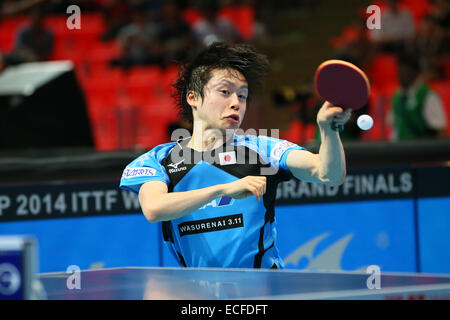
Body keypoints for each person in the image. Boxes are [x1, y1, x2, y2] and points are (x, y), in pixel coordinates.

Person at [120, 42, 350, 269]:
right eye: (225, 92)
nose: (236, 103)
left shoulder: (263, 149)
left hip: (262, 293)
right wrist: (224, 189)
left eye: (242, 96)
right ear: (192, 97)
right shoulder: (158, 160)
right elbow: (154, 208)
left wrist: (328, 130)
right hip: (197, 296)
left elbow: (328, 174)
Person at [389, 53, 447, 140]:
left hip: (421, 151)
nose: (401, 75)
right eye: (399, 70)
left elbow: (441, 131)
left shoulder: (427, 96)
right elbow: (395, 127)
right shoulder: (397, 96)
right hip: (400, 150)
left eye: (405, 71)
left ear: (415, 72)